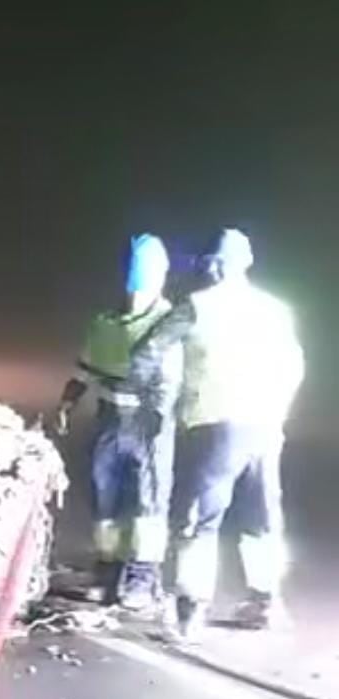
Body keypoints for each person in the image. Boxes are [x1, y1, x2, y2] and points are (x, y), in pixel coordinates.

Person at [129, 228, 304, 640]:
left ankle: (190, 613)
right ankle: (266, 602)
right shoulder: (275, 310)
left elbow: (147, 352)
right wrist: (279, 412)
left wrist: (149, 405)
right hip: (264, 427)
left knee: (199, 521)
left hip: (214, 425)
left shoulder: (197, 305)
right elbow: (294, 364)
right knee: (261, 518)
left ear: (214, 265)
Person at [57, 233, 181, 609]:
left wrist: (155, 422)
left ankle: (141, 578)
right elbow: (85, 370)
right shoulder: (106, 324)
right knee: (107, 502)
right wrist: (67, 402)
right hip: (111, 421)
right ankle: (109, 574)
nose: (137, 292)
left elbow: (169, 384)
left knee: (147, 504)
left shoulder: (167, 324)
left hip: (148, 425)